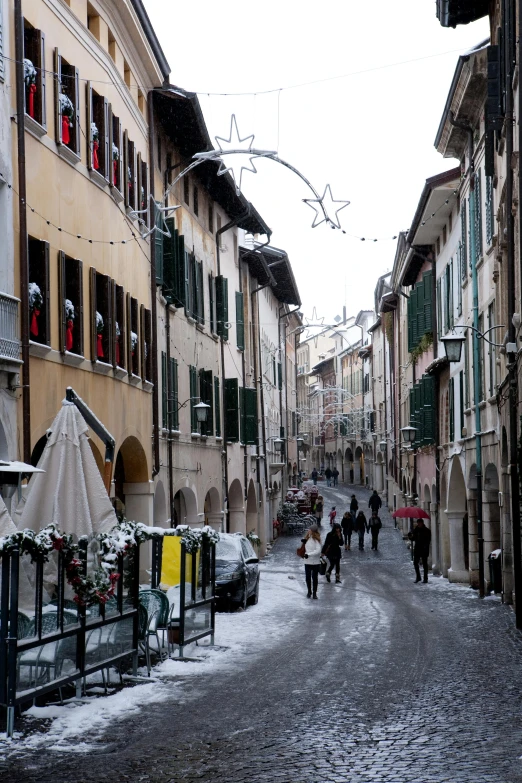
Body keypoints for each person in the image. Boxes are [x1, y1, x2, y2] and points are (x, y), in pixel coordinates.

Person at [408, 518, 431, 583]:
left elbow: (428, 540)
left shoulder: (427, 531)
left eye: (419, 523)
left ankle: (425, 578)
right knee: (415, 563)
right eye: (418, 523)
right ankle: (418, 577)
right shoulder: (416, 530)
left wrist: (425, 546)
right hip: (417, 549)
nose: (418, 524)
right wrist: (410, 536)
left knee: (424, 564)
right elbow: (413, 539)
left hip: (424, 549)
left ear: (422, 523)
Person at [302, 524, 322, 598]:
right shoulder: (307, 538)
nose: (308, 531)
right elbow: (306, 548)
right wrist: (304, 543)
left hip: (315, 562)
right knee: (308, 577)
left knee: (314, 578)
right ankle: (309, 591)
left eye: (310, 529)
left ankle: (314, 593)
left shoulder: (316, 539)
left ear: (313, 531)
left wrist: (309, 554)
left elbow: (318, 550)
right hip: (307, 561)